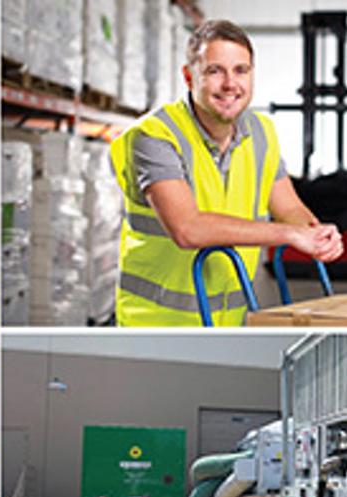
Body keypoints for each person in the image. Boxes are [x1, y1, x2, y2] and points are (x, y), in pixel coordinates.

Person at [110, 19, 343, 326]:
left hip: (229, 323)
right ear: (189, 76)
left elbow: (288, 207)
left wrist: (316, 233)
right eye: (214, 71)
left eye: (241, 71)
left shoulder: (261, 133)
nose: (230, 84)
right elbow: (187, 229)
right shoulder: (156, 136)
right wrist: (289, 234)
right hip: (158, 327)